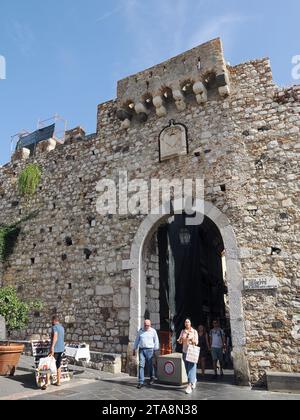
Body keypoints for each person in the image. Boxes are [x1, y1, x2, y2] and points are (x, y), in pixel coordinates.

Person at [133, 319, 160, 389]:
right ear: (143, 324)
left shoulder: (153, 331)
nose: (146, 326)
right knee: (141, 365)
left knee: (150, 365)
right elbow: (137, 340)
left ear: (150, 325)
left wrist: (155, 349)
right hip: (141, 350)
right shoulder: (141, 331)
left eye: (147, 325)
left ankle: (152, 377)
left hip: (150, 350)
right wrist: (134, 348)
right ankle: (141, 382)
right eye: (145, 325)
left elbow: (156, 340)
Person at [177, 319, 199, 395]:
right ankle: (194, 380)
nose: (187, 323)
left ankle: (189, 385)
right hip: (185, 352)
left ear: (190, 323)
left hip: (192, 352)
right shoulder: (182, 331)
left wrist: (192, 340)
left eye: (188, 322)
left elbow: (196, 342)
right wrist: (180, 339)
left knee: (191, 368)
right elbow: (180, 342)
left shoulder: (194, 331)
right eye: (185, 322)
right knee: (187, 369)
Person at [48, 315, 65, 387]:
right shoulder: (62, 328)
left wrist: (52, 347)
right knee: (58, 365)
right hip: (61, 349)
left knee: (49, 364)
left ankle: (46, 382)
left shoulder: (54, 327)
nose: (51, 322)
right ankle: (58, 381)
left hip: (56, 349)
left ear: (54, 320)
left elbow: (55, 336)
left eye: (52, 320)